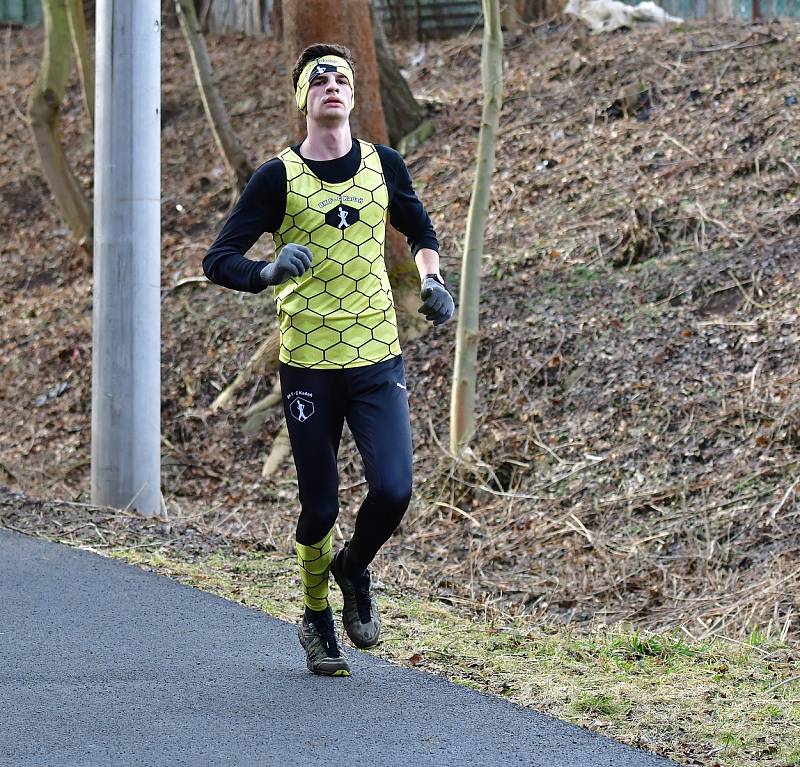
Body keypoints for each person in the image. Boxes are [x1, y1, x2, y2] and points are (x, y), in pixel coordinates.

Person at [203, 43, 454, 677]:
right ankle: (316, 615)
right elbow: (218, 259)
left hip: (376, 357)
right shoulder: (277, 178)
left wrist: (432, 281)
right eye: (319, 80)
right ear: (303, 100)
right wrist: (265, 271)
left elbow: (420, 230)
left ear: (353, 95)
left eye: (341, 77)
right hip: (308, 363)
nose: (332, 85)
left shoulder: (384, 165)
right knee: (320, 508)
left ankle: (352, 567)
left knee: (395, 489)